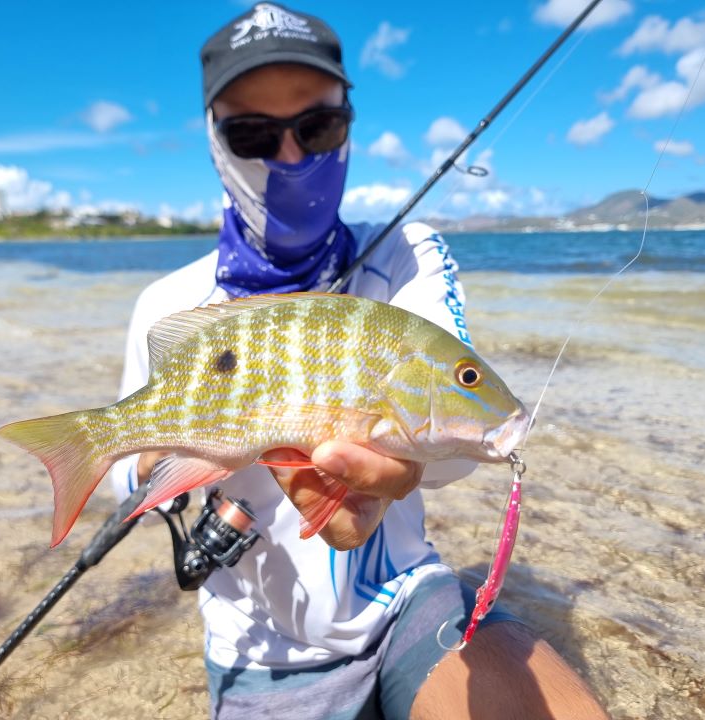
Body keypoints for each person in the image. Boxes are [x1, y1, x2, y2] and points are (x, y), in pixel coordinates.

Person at [110, 4, 609, 718]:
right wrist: (167, 455)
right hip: (260, 653)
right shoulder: (169, 305)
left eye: (316, 128)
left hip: (408, 598)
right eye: (252, 133)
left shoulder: (409, 257)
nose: (290, 158)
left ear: (349, 120)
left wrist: (388, 478)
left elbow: (452, 435)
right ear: (215, 142)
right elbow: (125, 479)